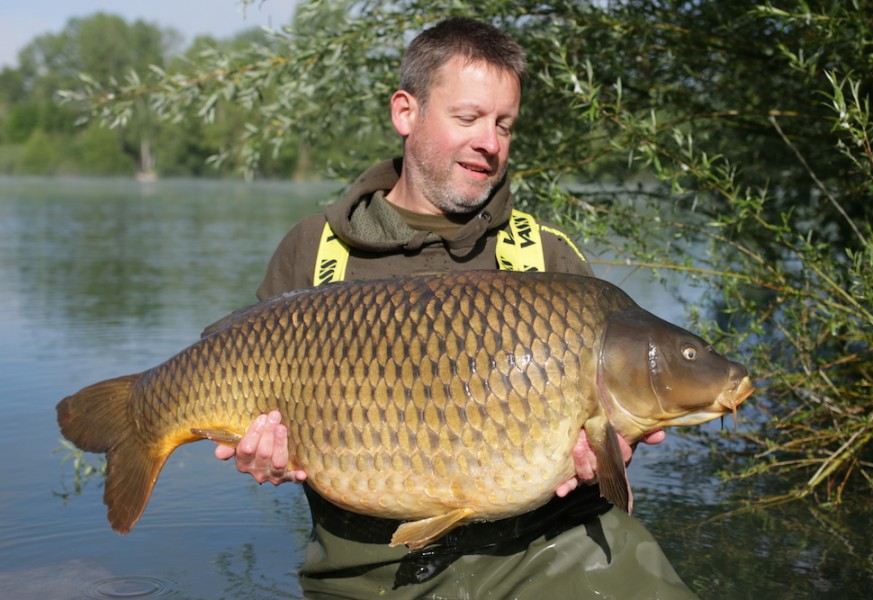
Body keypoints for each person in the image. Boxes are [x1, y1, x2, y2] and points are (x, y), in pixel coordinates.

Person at [214, 17, 698, 599]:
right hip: (366, 566)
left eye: (504, 125)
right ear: (405, 113)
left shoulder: (544, 256)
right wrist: (264, 453)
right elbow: (260, 428)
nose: (489, 142)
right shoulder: (314, 251)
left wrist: (611, 452)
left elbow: (608, 426)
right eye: (467, 118)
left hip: (545, 546)